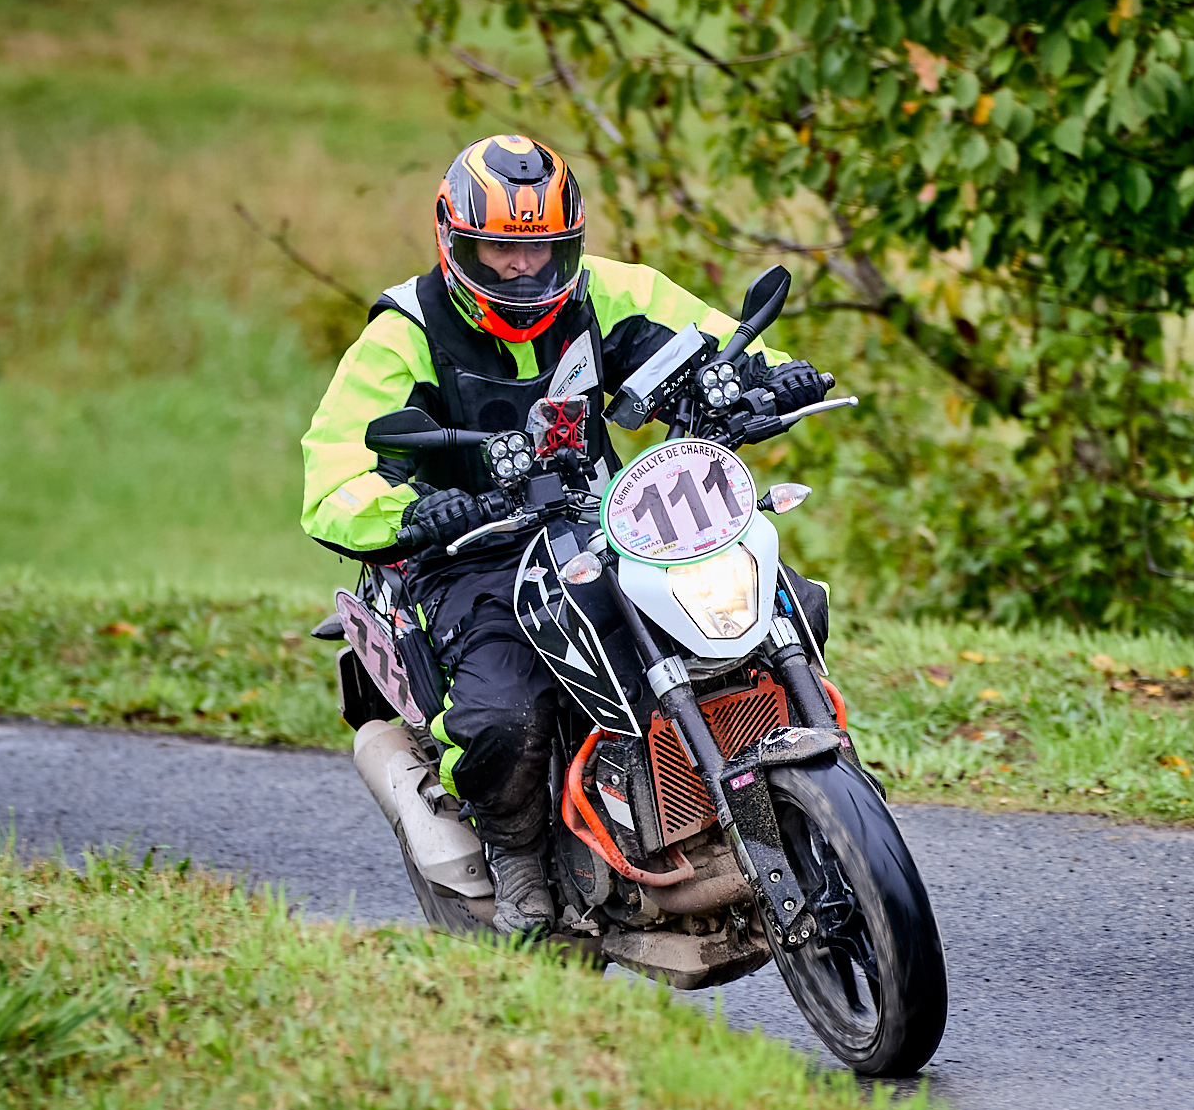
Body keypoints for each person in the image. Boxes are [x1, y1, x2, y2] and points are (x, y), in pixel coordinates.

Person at [300, 133, 833, 937]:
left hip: (601, 522)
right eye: (500, 253)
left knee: (779, 602)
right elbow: (332, 476)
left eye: (543, 253)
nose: (523, 272)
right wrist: (411, 512)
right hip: (469, 556)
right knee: (503, 714)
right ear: (454, 241)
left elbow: (716, 341)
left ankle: (794, 782)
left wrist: (765, 377)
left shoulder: (609, 292)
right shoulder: (404, 334)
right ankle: (516, 854)